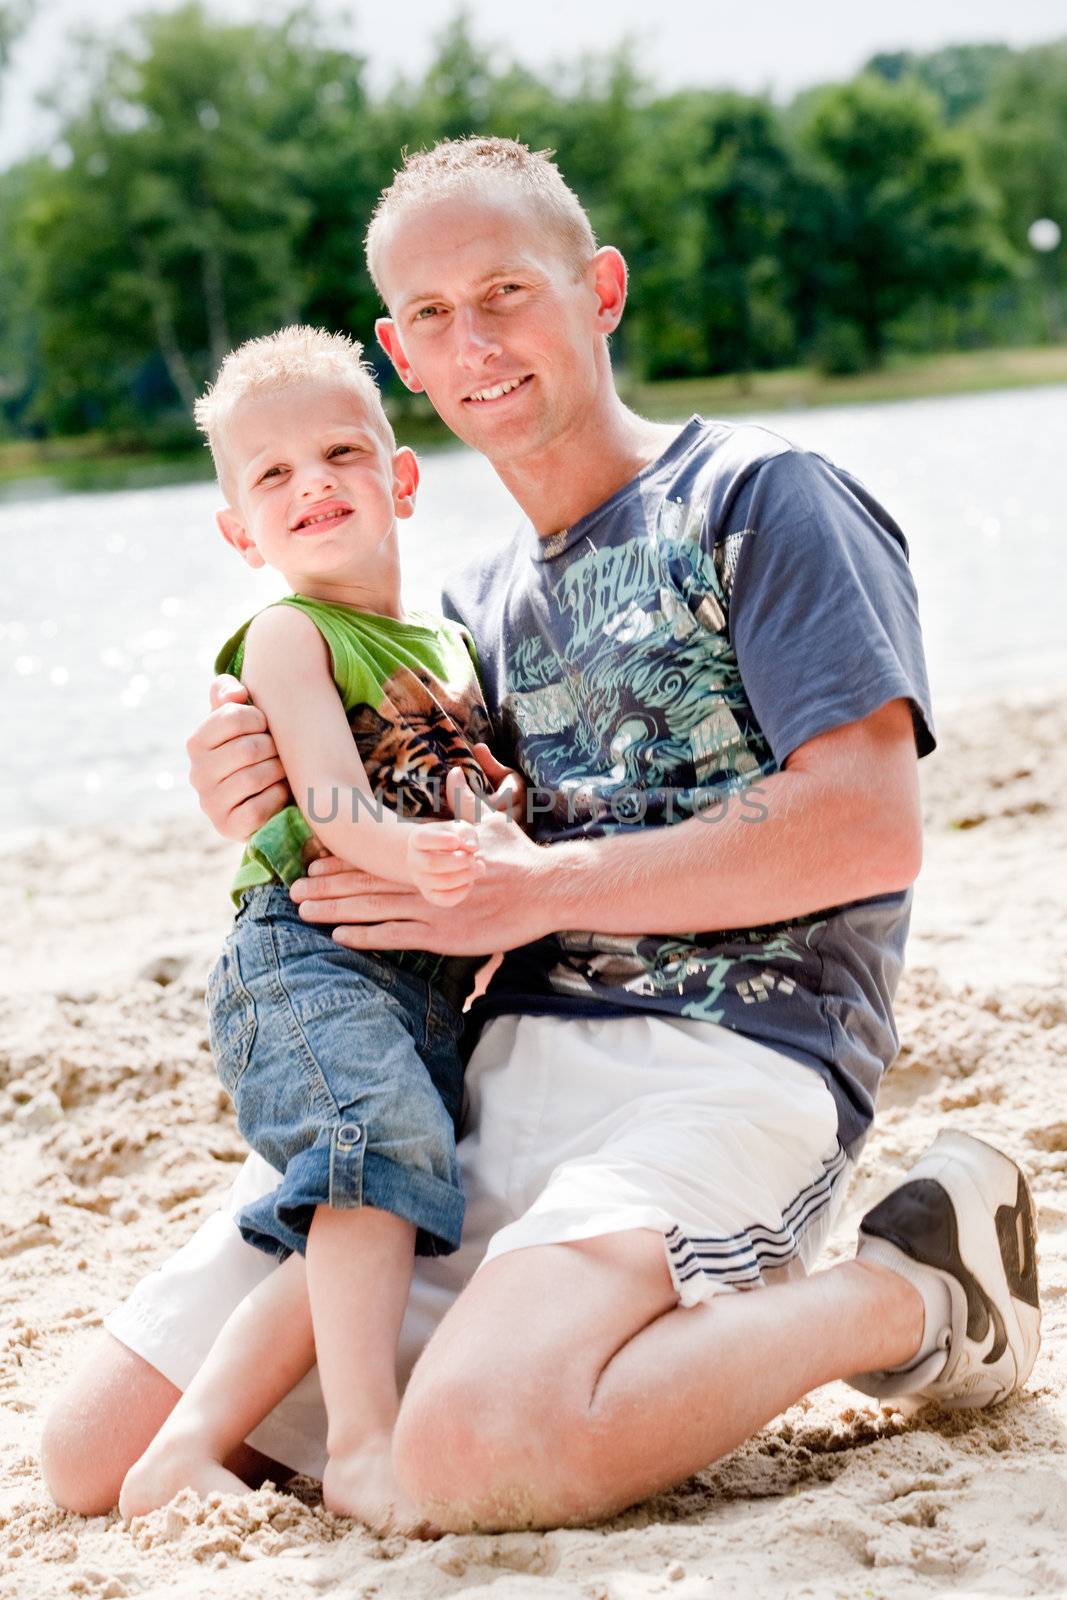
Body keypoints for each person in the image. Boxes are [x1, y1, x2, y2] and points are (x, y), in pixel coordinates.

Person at [42, 137, 1041, 1534]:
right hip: (486, 1074)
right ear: (399, 354)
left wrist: (536, 890)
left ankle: (909, 1292)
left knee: (468, 1455)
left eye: (505, 290)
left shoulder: (761, 498)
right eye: (433, 317)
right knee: (91, 1457)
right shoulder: (455, 614)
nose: (476, 342)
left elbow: (866, 828)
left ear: (600, 291)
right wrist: (250, 782)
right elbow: (376, 826)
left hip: (729, 1061)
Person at [118, 326, 521, 1530]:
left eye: (342, 452)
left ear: (400, 477)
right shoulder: (292, 636)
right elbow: (339, 806)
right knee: (375, 1162)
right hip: (305, 963)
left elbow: (470, 785)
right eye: (274, 476)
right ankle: (361, 1448)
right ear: (241, 529)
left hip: (415, 984)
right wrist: (436, 857)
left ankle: (182, 1448)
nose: (314, 486)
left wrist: (493, 827)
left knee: (369, 1201)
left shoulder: (447, 644)